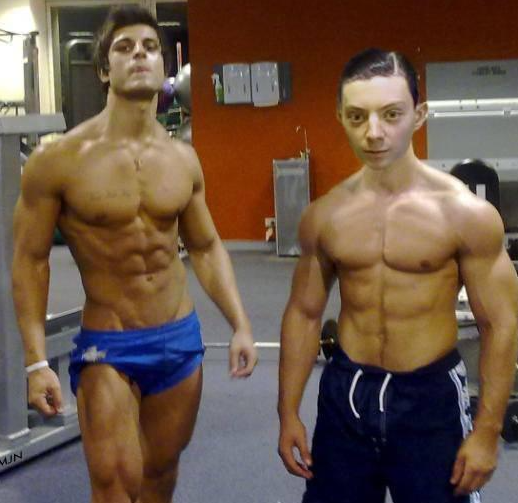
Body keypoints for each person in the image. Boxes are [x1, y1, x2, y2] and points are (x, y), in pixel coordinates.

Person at [12, 5, 257, 503]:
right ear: (105, 70)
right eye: (124, 48)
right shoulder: (57, 160)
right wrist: (36, 362)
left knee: (160, 475)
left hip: (179, 338)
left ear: (164, 66)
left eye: (149, 48)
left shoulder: (183, 158)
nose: (139, 55)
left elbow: (206, 246)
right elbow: (30, 260)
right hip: (110, 343)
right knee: (113, 485)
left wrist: (240, 324)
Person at [277, 48, 518, 503]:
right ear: (340, 117)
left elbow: (500, 324)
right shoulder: (324, 215)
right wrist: (287, 412)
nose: (373, 133)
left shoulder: (465, 214)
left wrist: (488, 430)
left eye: (391, 115)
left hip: (428, 397)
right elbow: (305, 314)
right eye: (357, 116)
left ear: (418, 115)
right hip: (346, 394)